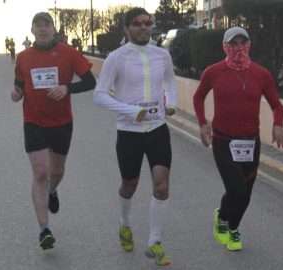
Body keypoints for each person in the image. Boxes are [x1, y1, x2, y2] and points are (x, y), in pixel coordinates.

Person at [193, 26, 283, 252]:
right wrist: (202, 123)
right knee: (235, 189)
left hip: (250, 142)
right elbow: (198, 98)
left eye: (242, 43)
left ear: (248, 45)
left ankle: (233, 227)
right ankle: (224, 220)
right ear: (225, 46)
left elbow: (277, 104)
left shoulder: (261, 74)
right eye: (233, 43)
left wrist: (277, 124)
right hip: (223, 140)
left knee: (246, 192)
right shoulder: (214, 71)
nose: (238, 48)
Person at [93, 7, 177, 266]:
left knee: (161, 186)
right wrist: (130, 111)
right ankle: (124, 223)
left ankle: (155, 241)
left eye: (148, 23)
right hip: (129, 132)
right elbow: (100, 95)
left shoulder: (162, 54)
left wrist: (171, 102)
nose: (144, 28)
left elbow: (171, 82)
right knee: (129, 184)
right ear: (127, 28)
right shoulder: (116, 58)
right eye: (138, 24)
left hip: (157, 129)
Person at [11, 12, 96, 250]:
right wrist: (15, 94)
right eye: (38, 26)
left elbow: (91, 82)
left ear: (53, 28)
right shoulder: (23, 57)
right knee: (40, 172)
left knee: (56, 171)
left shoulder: (68, 53)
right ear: (32, 31)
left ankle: (53, 190)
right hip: (33, 121)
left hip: (61, 122)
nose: (42, 29)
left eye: (46, 25)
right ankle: (44, 230)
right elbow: (19, 85)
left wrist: (66, 88)